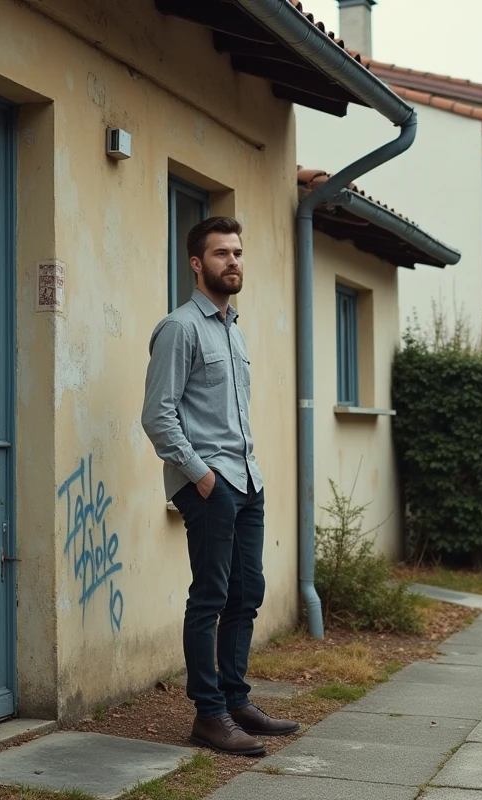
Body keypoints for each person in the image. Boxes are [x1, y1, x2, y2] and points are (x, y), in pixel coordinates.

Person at [141, 216, 299, 756]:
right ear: (196, 263)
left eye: (237, 253)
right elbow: (158, 416)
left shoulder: (234, 328)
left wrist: (245, 475)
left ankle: (236, 701)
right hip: (209, 483)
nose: (233, 261)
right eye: (220, 254)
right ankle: (208, 716)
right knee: (209, 596)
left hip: (246, 479)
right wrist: (203, 477)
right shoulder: (179, 328)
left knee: (245, 592)